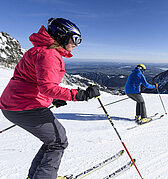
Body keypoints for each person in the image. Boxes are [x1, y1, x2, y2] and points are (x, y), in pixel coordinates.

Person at [0, 18, 100, 179]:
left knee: (53, 141)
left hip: (15, 103)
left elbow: (30, 79)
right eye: (75, 39)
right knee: (59, 142)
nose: (76, 44)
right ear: (61, 36)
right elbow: (47, 87)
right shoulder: (49, 54)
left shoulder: (38, 50)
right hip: (25, 106)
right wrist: (81, 94)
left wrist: (51, 99)